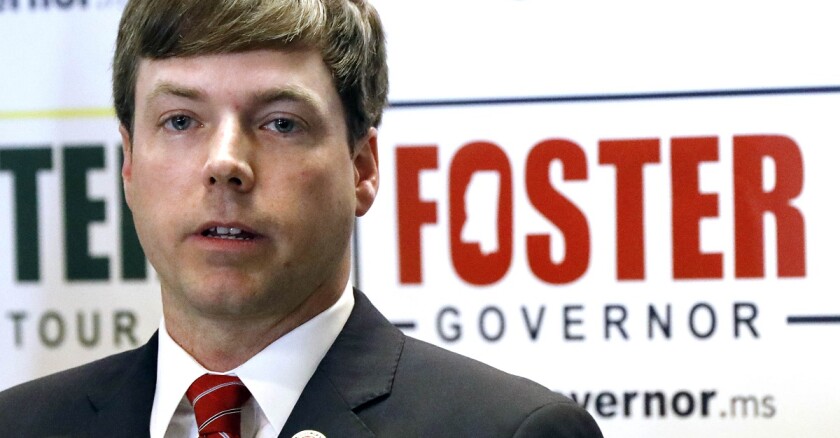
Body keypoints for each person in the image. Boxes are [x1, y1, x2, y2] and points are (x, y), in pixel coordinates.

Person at [0, 0, 603, 436]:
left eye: (280, 123)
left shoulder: (508, 431)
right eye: (181, 120)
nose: (225, 163)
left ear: (362, 167)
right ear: (129, 164)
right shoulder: (22, 425)